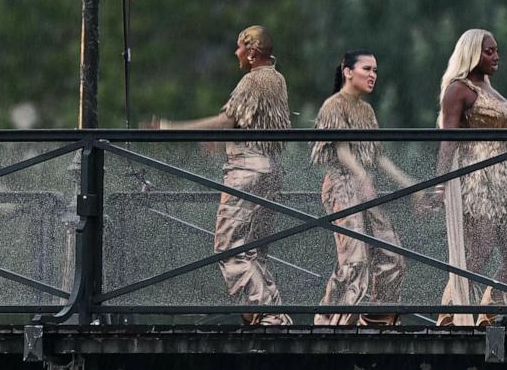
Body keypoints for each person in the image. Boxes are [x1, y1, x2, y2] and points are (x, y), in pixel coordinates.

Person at [155, 25, 291, 326]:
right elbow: (251, 123)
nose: (236, 53)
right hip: (270, 169)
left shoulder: (253, 80)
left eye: (240, 48)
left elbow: (227, 119)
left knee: (230, 248)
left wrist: (171, 128)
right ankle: (271, 315)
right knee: (254, 252)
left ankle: (270, 318)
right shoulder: (277, 79)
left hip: (246, 172)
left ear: (252, 52)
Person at [310, 50, 418, 325]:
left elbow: (378, 157)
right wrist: (361, 177)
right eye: (367, 69)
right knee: (354, 260)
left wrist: (412, 184)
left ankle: (376, 322)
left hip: (363, 186)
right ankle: (330, 325)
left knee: (392, 255)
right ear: (348, 71)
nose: (373, 76)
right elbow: (342, 149)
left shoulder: (366, 110)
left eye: (375, 71)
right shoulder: (334, 105)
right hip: (342, 185)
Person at [435, 29, 507, 326]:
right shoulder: (458, 89)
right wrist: (439, 185)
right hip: (476, 180)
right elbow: (447, 140)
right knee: (480, 252)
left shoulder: (489, 87)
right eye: (489, 51)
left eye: (497, 50)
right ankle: (450, 314)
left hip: (505, 181)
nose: (496, 56)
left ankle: (490, 309)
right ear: (472, 53)